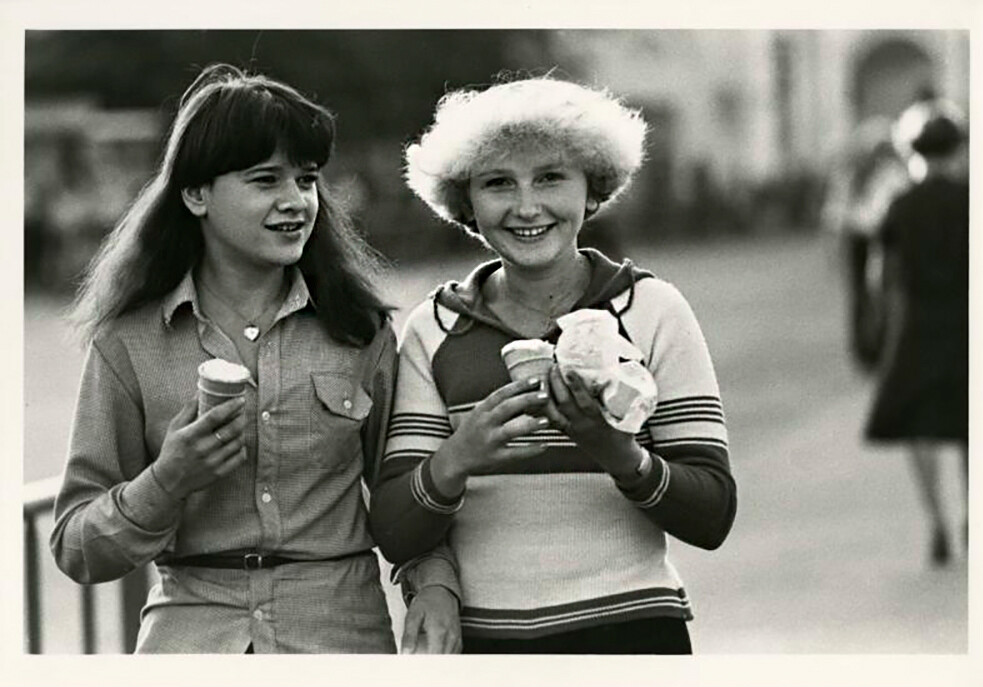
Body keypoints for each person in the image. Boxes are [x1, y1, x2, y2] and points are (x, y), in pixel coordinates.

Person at [49, 64, 461, 653]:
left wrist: (434, 584)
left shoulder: (359, 330)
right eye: (265, 179)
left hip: (339, 641)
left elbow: (403, 496)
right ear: (195, 194)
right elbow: (75, 545)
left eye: (307, 179)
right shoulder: (128, 343)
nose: (296, 202)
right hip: (190, 645)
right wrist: (167, 481)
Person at [369, 77, 736, 654]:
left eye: (550, 176)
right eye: (497, 183)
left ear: (593, 188)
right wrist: (457, 458)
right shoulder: (434, 328)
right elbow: (393, 528)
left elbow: (713, 514)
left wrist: (617, 451)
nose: (526, 206)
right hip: (490, 649)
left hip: (636, 638)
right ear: (465, 203)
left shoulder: (652, 310)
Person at [864, 99, 969, 567]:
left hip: (919, 327)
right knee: (974, 427)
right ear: (957, 150)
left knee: (922, 426)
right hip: (970, 323)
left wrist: (882, 327)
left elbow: (879, 277)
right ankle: (975, 512)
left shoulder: (901, 206)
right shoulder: (976, 200)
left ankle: (937, 521)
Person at [820, 118, 910, 371]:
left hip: (873, 238)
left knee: (874, 294)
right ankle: (869, 347)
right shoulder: (857, 176)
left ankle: (875, 345)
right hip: (865, 239)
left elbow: (835, 216)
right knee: (865, 295)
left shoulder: (882, 174)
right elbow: (835, 216)